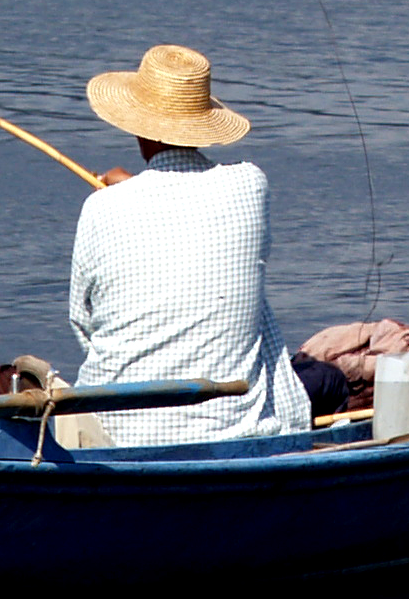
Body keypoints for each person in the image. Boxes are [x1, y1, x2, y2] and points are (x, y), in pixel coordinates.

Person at [68, 44, 314, 446]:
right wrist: (131, 188)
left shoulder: (101, 208)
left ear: (138, 126)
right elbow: (188, 201)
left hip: (115, 430)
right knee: (327, 380)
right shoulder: (250, 185)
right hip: (230, 431)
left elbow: (83, 324)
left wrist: (125, 191)